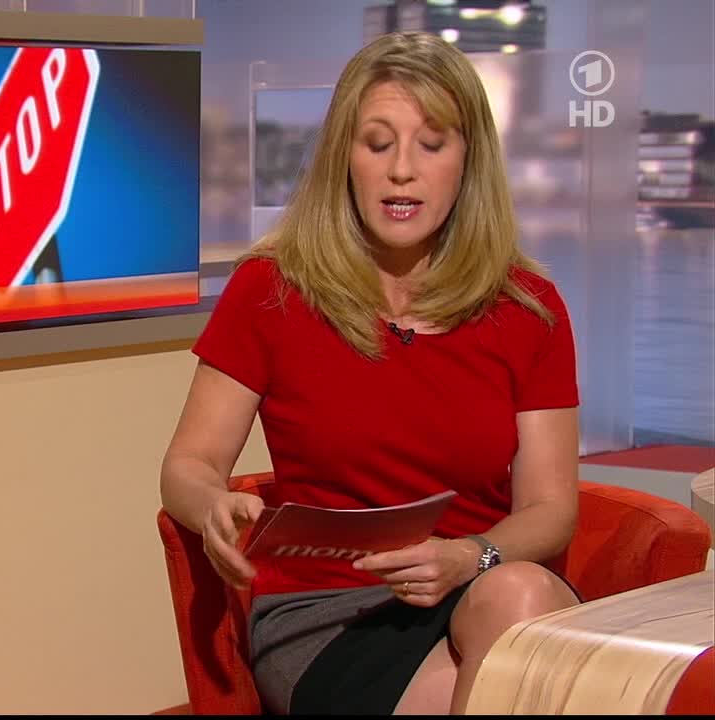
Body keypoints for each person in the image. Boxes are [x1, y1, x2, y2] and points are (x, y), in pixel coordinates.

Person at [160, 31, 582, 715]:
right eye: (378, 144)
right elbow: (188, 463)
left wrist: (467, 555)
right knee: (531, 690)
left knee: (520, 595)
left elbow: (551, 509)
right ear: (344, 158)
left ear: (468, 161)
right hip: (325, 612)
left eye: (431, 144)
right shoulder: (270, 291)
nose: (401, 171)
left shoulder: (530, 309)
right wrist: (212, 506)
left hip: (479, 584)